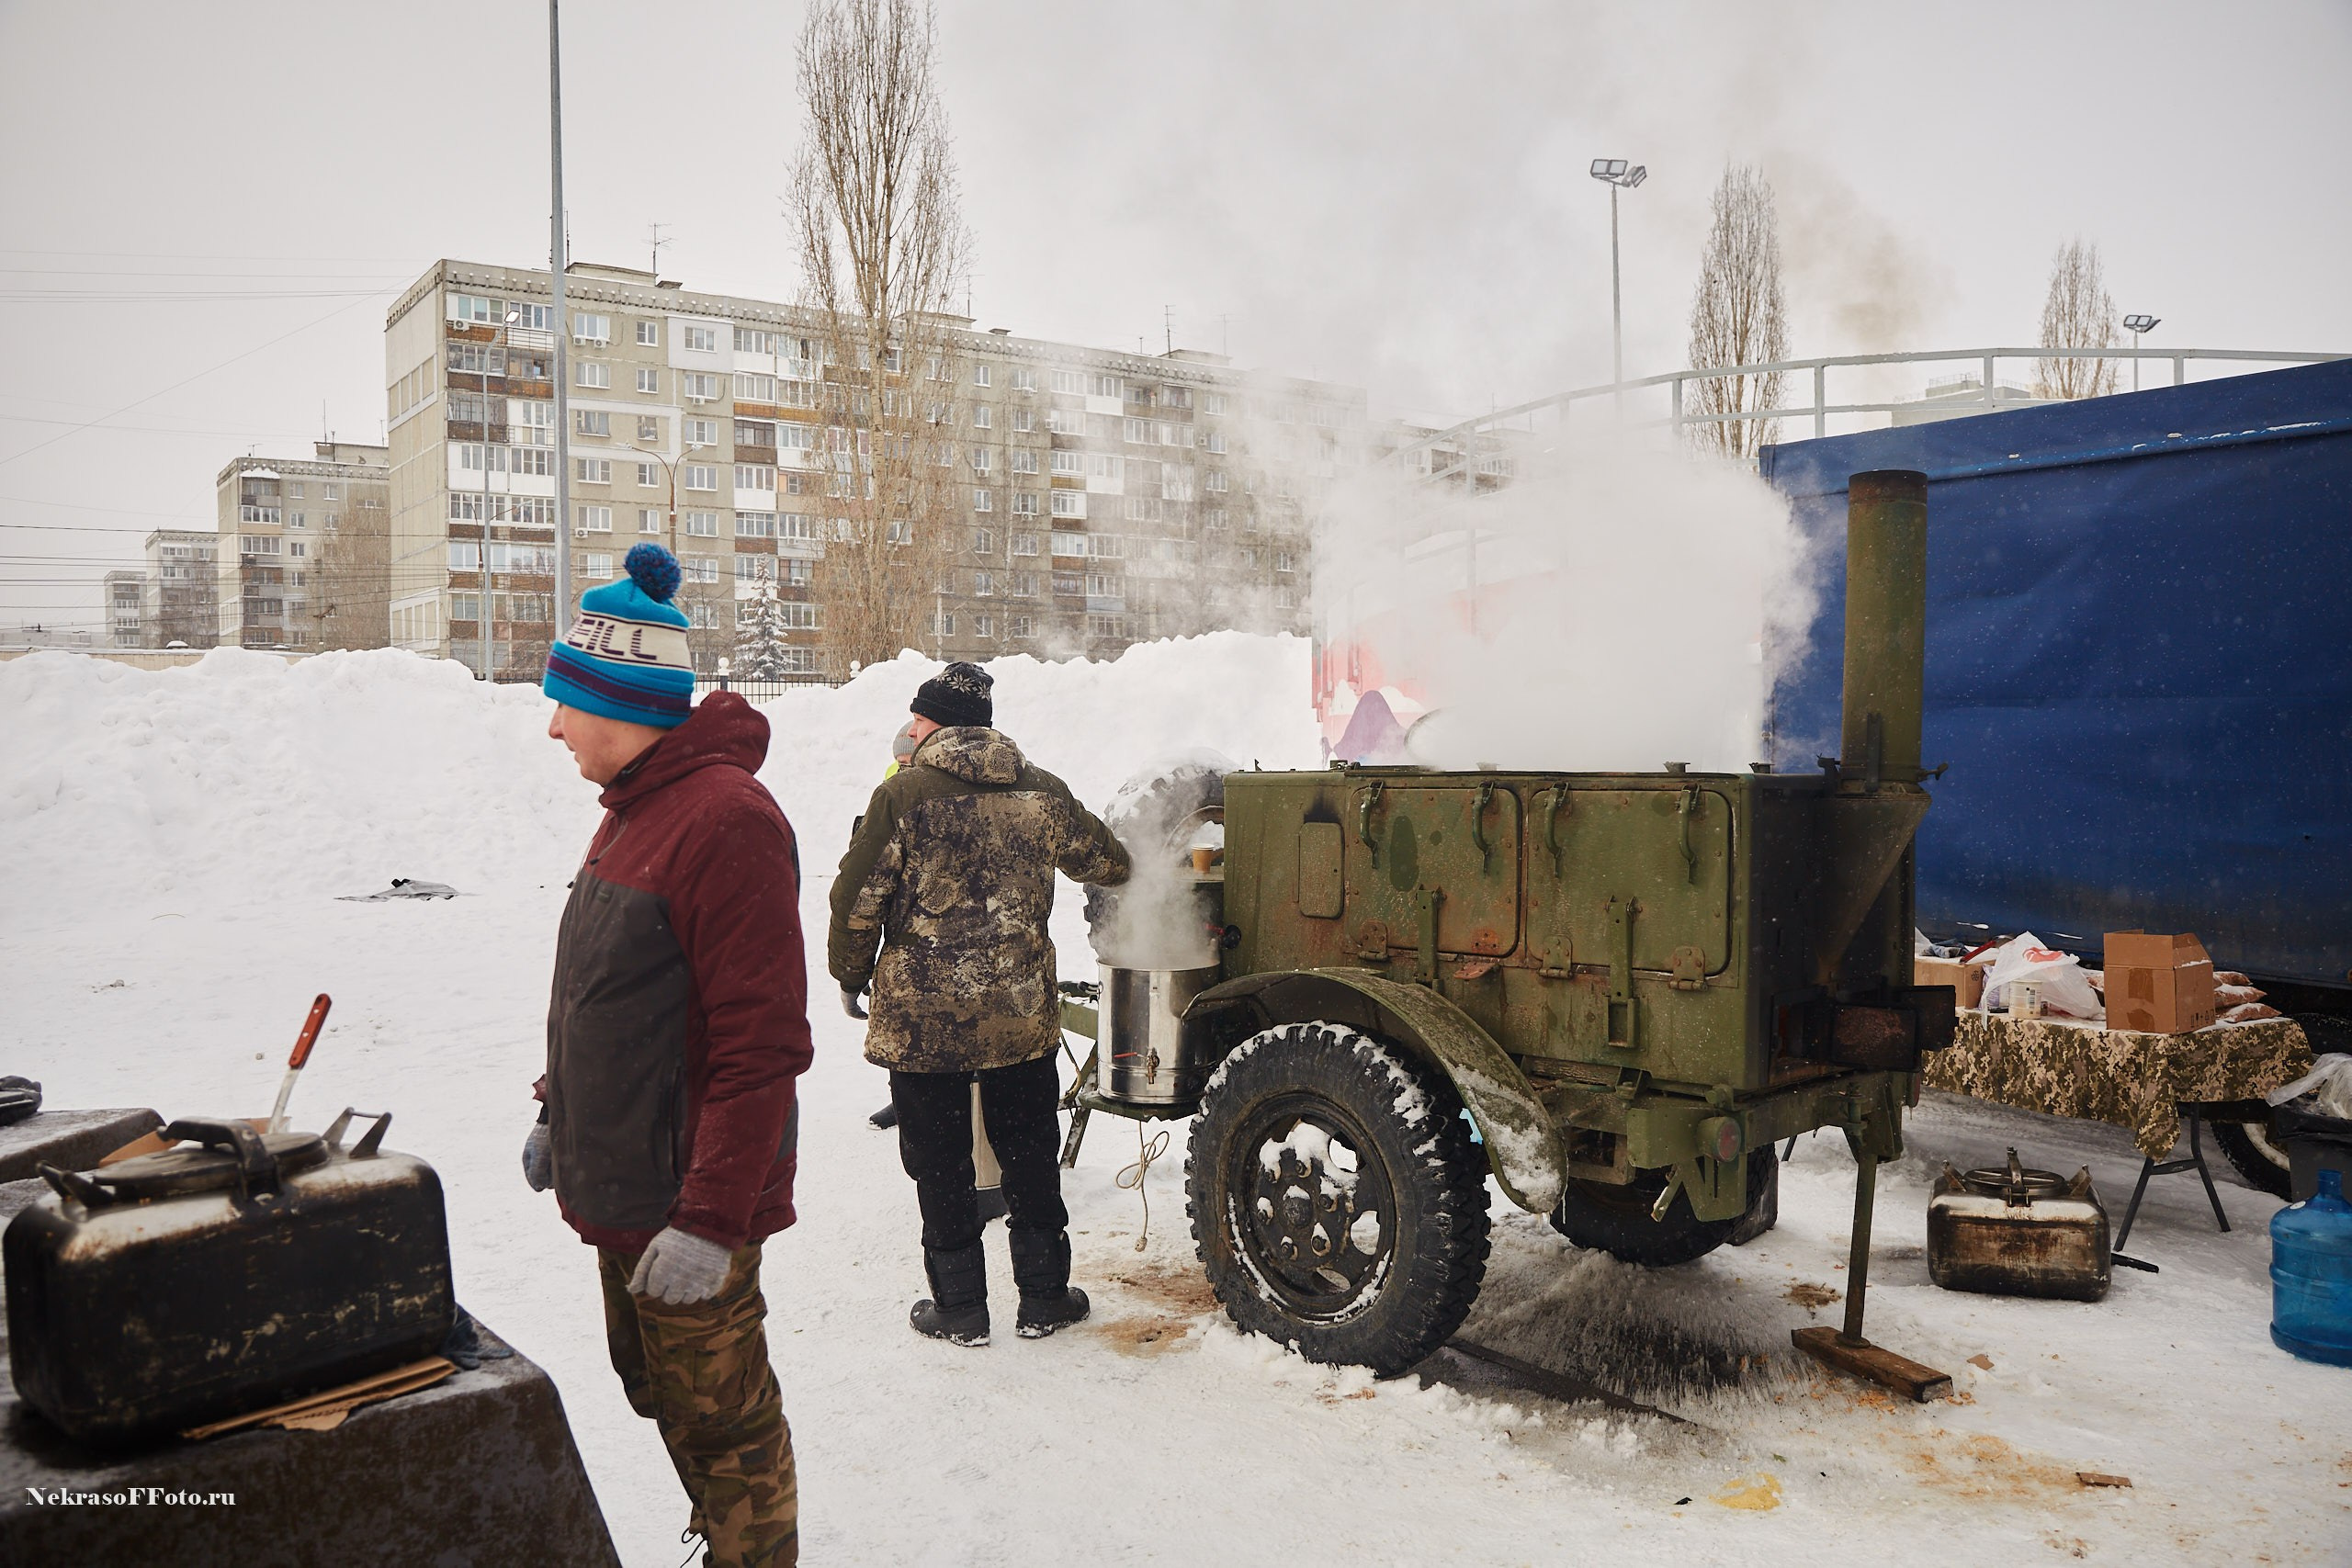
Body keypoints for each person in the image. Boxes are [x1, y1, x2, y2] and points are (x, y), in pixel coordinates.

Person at [525, 542, 810, 1568]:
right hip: (627, 1185)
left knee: (727, 1429)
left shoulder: (725, 823)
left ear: (620, 701)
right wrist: (559, 1108)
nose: (552, 725)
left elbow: (761, 1044)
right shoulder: (638, 813)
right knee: (659, 1393)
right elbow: (617, 995)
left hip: (688, 1200)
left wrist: (709, 1221)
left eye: (565, 701)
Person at [830, 660, 1129, 1344]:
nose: (910, 728)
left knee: (938, 1162)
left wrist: (851, 975)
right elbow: (1107, 859)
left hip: (922, 1022)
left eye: (917, 717)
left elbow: (855, 902)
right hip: (1018, 1017)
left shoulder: (901, 798)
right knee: (1028, 1152)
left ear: (933, 723)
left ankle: (960, 1308)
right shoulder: (1042, 793)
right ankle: (1045, 1298)